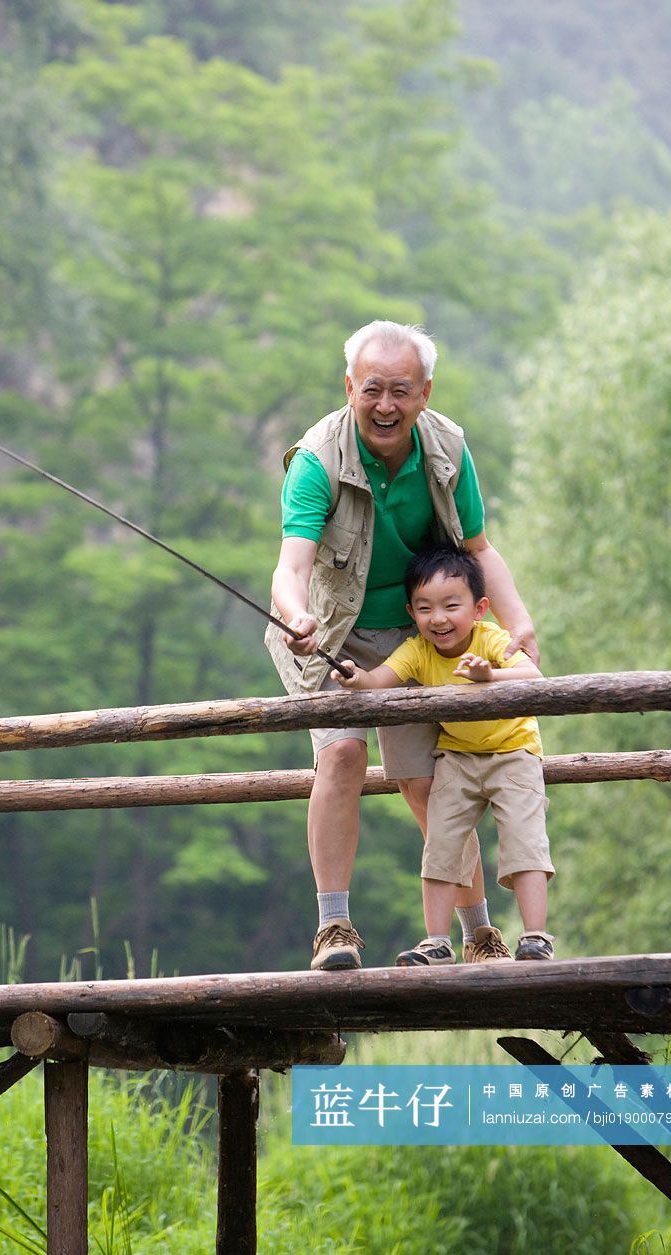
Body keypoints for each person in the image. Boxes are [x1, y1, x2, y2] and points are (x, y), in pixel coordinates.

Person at [266, 319, 539, 970]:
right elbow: (290, 567)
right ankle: (333, 928)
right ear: (349, 387)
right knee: (340, 760)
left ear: (424, 393)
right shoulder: (315, 460)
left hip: (424, 637)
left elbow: (477, 546)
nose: (384, 405)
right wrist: (295, 618)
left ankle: (478, 933)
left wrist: (518, 626)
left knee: (427, 783)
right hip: (332, 635)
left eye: (401, 391)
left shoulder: (446, 447)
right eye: (371, 389)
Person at [333, 545, 555, 964]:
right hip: (457, 756)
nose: (438, 618)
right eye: (424, 607)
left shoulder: (491, 639)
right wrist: (355, 677)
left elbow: (534, 675)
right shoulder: (417, 650)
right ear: (411, 612)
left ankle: (536, 937)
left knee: (524, 841)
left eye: (452, 605)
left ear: (479, 607)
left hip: (514, 751)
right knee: (441, 844)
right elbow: (380, 679)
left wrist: (490, 675)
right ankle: (437, 941)